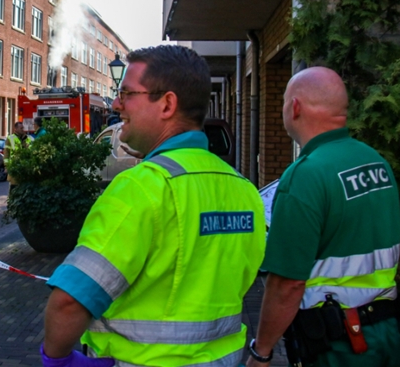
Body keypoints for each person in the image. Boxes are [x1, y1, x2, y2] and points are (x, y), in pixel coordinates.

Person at [42, 45, 265, 367]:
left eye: (127, 93)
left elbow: (69, 302)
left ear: (167, 103)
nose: (117, 104)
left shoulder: (142, 188)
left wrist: (57, 360)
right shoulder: (244, 190)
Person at [246, 67, 400, 367]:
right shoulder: (376, 162)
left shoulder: (306, 175)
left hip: (339, 344)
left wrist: (262, 351)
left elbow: (287, 284)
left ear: (295, 107)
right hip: (386, 331)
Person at [4, 122, 33, 186]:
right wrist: (7, 166)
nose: (23, 129)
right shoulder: (10, 138)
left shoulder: (28, 138)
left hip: (26, 166)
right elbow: (6, 153)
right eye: (21, 128)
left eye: (23, 128)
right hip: (14, 166)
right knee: (14, 186)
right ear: (15, 129)